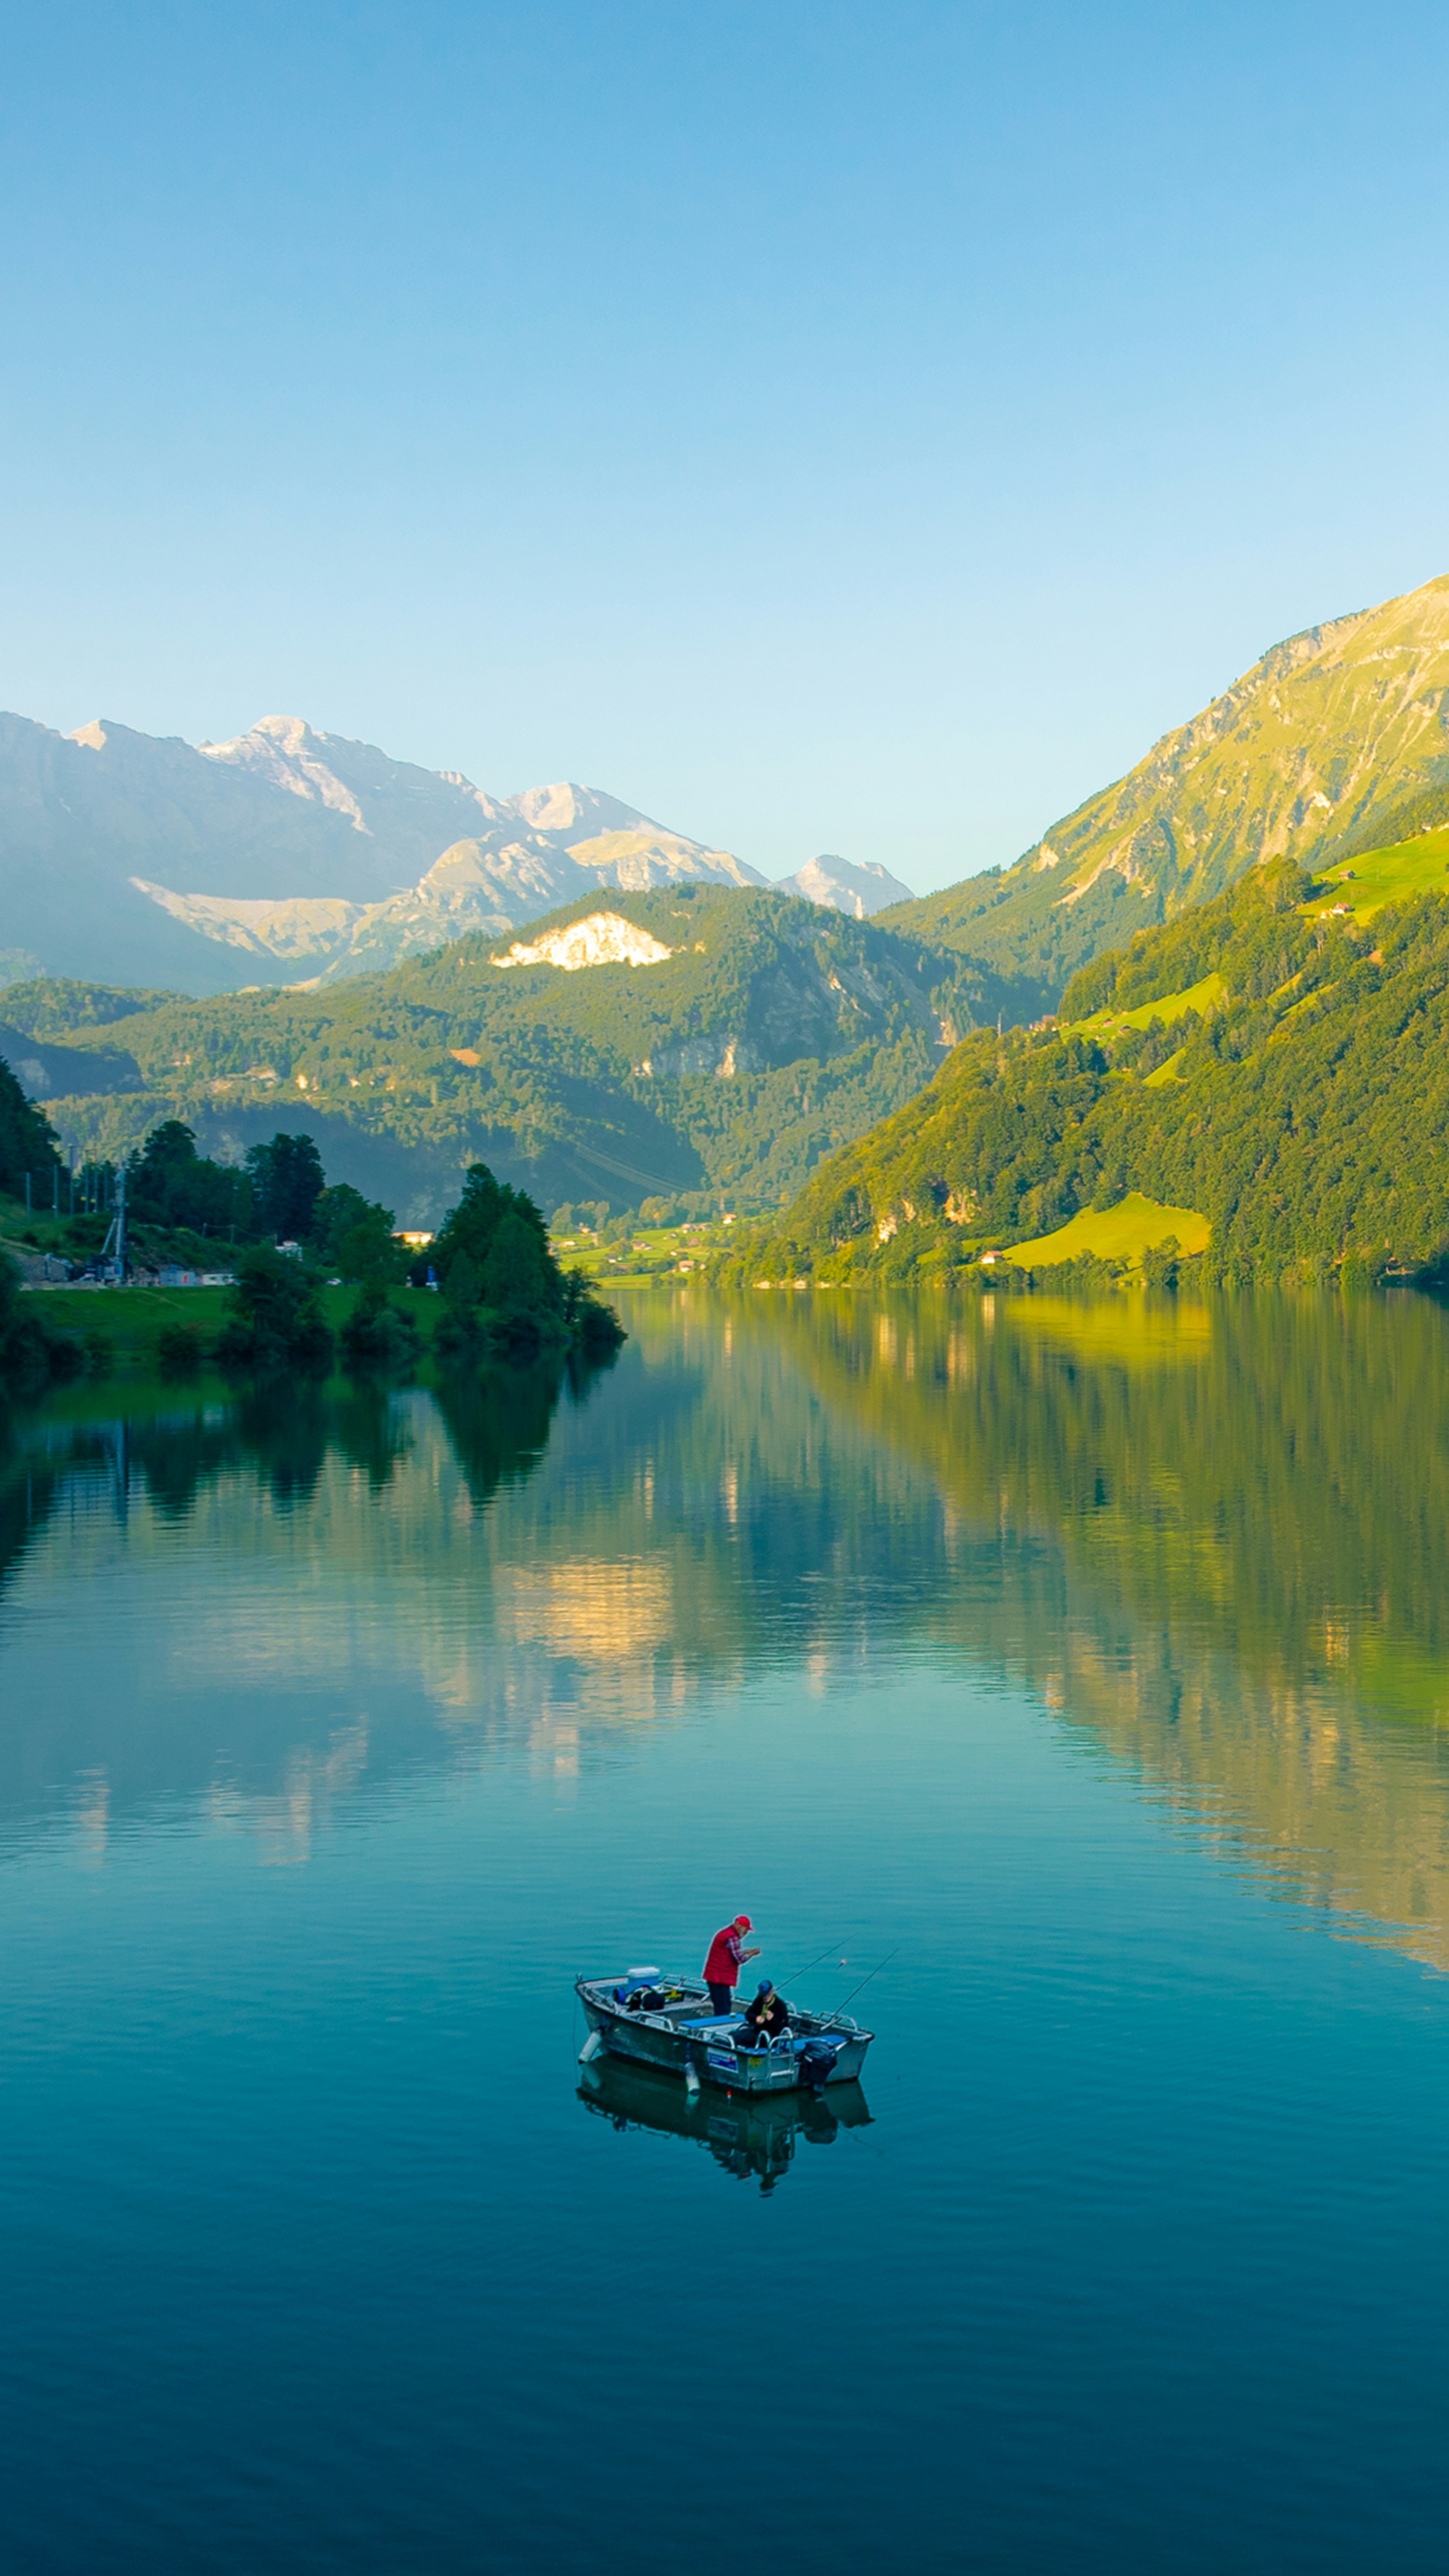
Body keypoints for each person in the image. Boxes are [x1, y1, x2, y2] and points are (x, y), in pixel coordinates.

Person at [702, 1914, 759, 2018]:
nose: (745, 1934)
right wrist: (752, 1954)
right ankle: (722, 2028)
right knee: (725, 2007)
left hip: (712, 1976)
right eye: (746, 1931)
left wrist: (747, 1951)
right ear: (740, 1927)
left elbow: (729, 1953)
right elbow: (740, 1959)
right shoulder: (733, 1938)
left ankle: (718, 2023)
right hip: (721, 1978)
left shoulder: (724, 1933)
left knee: (718, 2005)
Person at [737, 1979, 789, 2049]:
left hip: (772, 2035)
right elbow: (748, 2014)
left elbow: (784, 2026)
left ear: (772, 1992)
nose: (766, 1997)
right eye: (764, 1995)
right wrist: (755, 2018)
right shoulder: (759, 2001)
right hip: (758, 2031)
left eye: (768, 1995)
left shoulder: (780, 2006)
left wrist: (772, 2020)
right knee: (739, 2037)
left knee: (757, 2041)